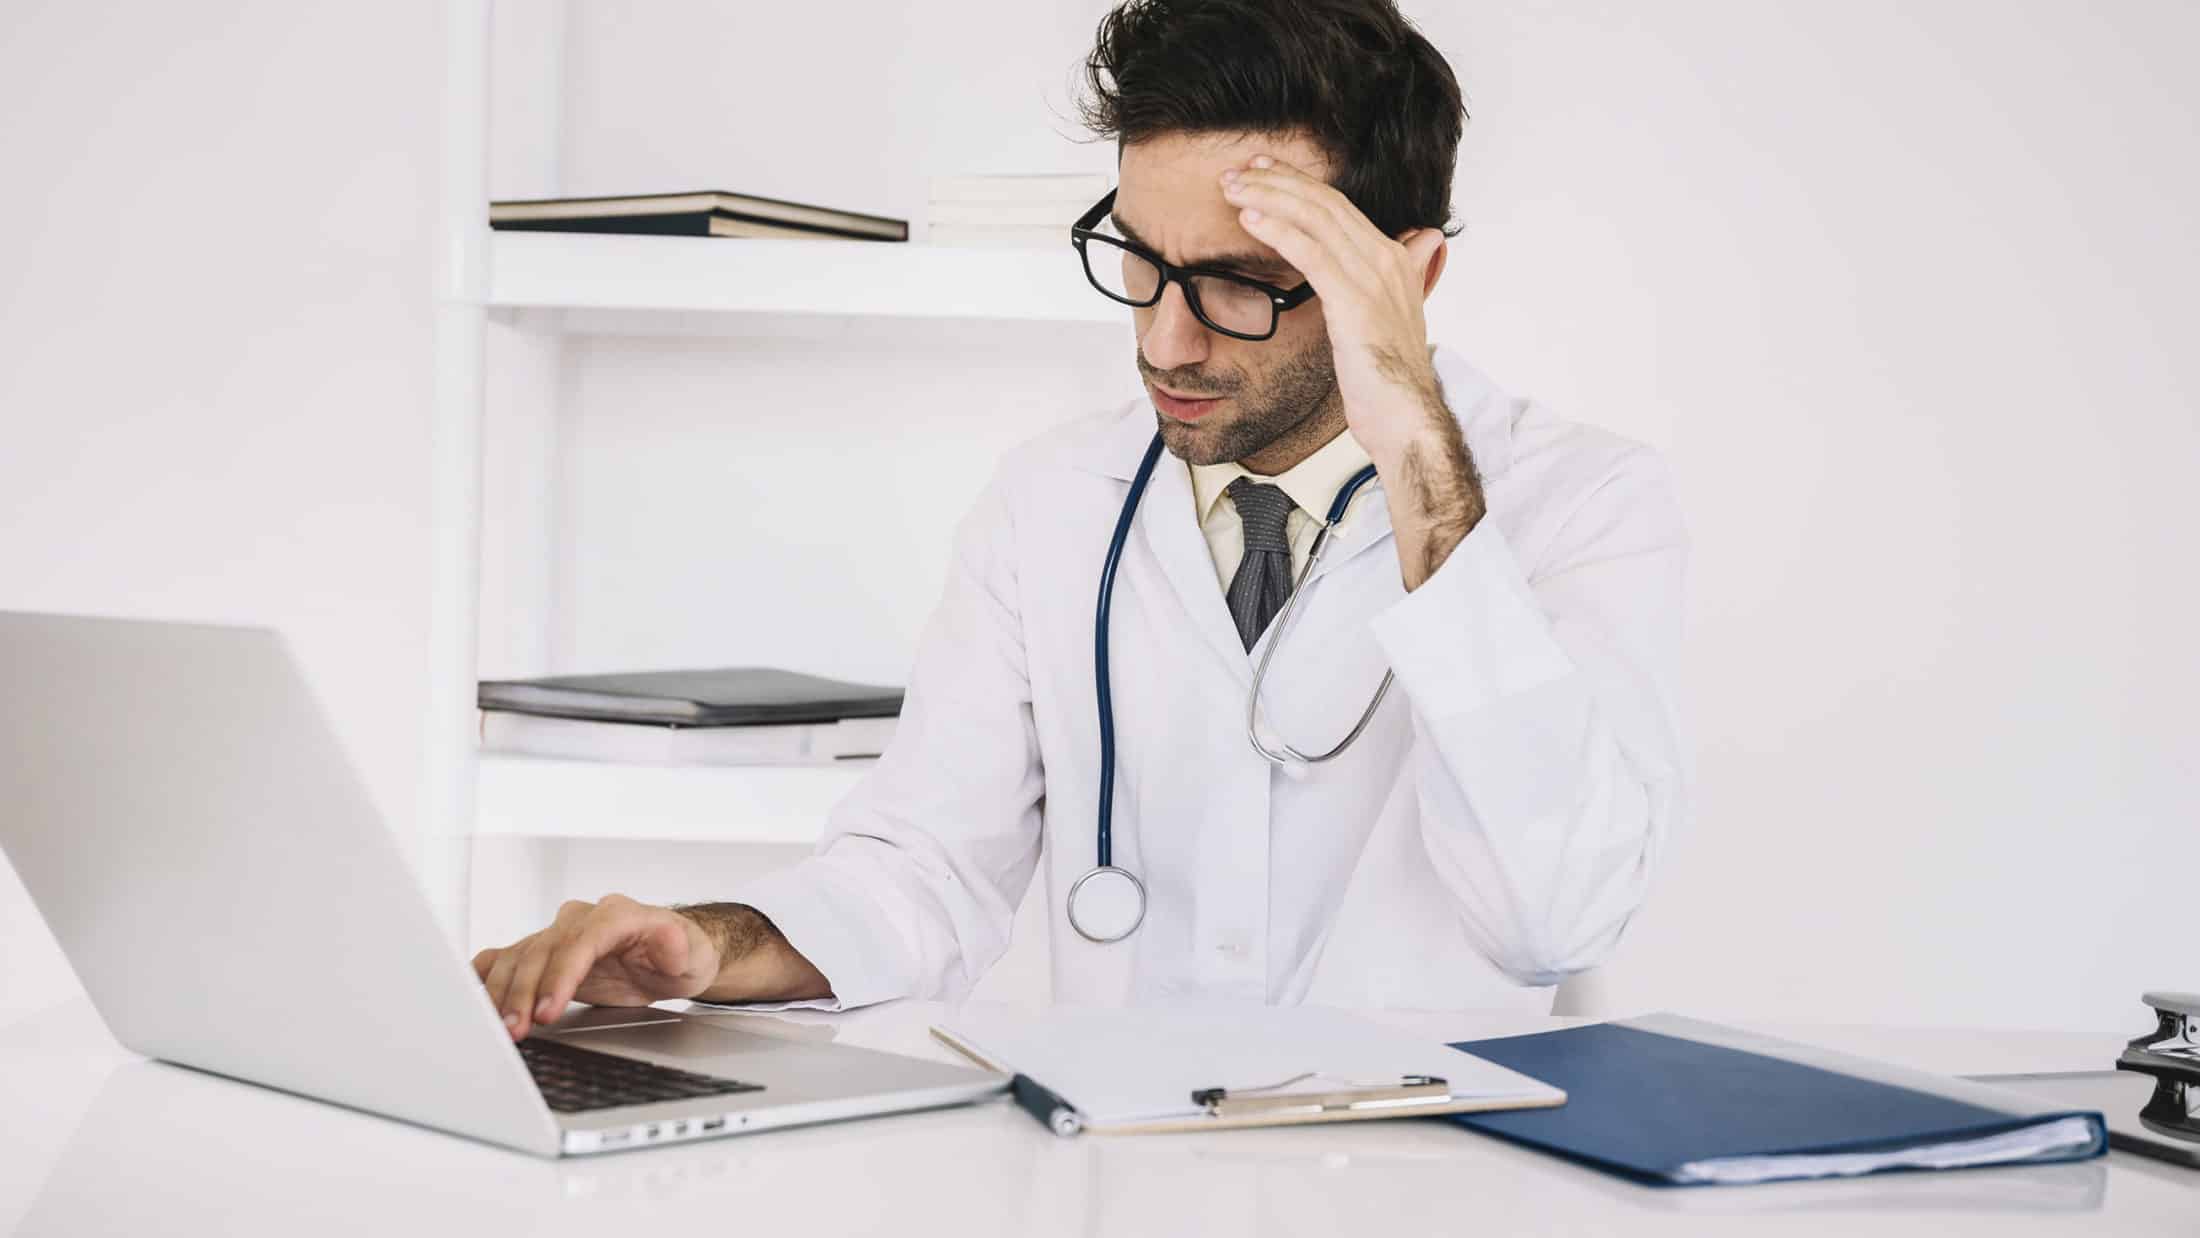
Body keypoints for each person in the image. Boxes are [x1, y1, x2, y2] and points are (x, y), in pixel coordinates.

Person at [473, 0, 1687, 1039]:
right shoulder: (1053, 500)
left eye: (1239, 284)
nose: (1167, 340)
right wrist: (709, 941)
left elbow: (1557, 915)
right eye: (1141, 261)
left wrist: (1422, 459)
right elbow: (923, 869)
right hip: (1123, 1174)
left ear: (1404, 280)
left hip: (1427, 1181)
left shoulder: (1577, 504)